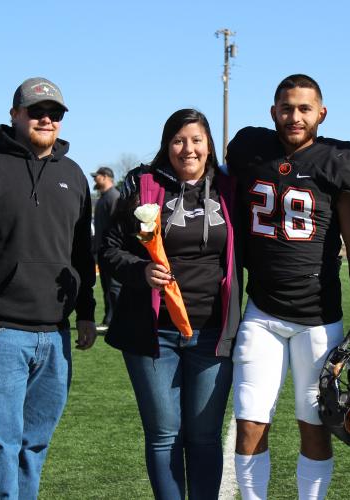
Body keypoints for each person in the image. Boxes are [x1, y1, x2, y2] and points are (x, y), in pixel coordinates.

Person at [226, 74, 350, 499]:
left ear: (321, 113)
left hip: (317, 319)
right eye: (286, 108)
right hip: (262, 312)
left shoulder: (339, 160)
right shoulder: (250, 149)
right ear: (273, 112)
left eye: (304, 108)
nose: (294, 116)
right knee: (250, 420)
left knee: (315, 424)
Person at [100, 108, 242, 500]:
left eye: (197, 140)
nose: (188, 148)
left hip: (213, 334)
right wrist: (140, 270)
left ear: (210, 145)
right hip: (153, 333)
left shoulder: (231, 187)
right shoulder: (142, 185)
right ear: (167, 145)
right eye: (179, 140)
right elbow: (108, 249)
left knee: (204, 436)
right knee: (164, 435)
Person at [0, 77, 97, 498]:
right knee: (0, 444)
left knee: (34, 445)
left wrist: (86, 311)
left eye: (54, 113)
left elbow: (81, 253)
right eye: (36, 112)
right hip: (0, 331)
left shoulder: (73, 174)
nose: (46, 119)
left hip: (55, 335)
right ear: (15, 114)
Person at [91, 166, 121, 330]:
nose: (95, 179)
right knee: (107, 287)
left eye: (97, 176)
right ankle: (109, 319)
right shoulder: (103, 198)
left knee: (115, 287)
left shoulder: (114, 197)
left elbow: (117, 226)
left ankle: (118, 320)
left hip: (112, 251)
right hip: (102, 251)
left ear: (106, 177)